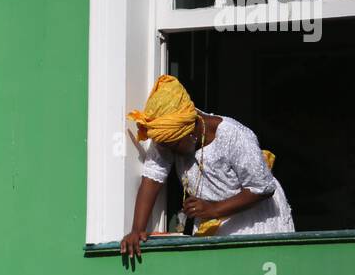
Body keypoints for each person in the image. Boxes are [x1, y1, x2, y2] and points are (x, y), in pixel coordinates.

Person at [119, 75, 294, 261]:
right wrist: (137, 230)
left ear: (192, 131)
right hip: (212, 223)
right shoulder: (169, 137)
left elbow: (263, 188)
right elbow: (152, 178)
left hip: (254, 221)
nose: (170, 153)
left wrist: (214, 209)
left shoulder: (234, 136)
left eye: (174, 146)